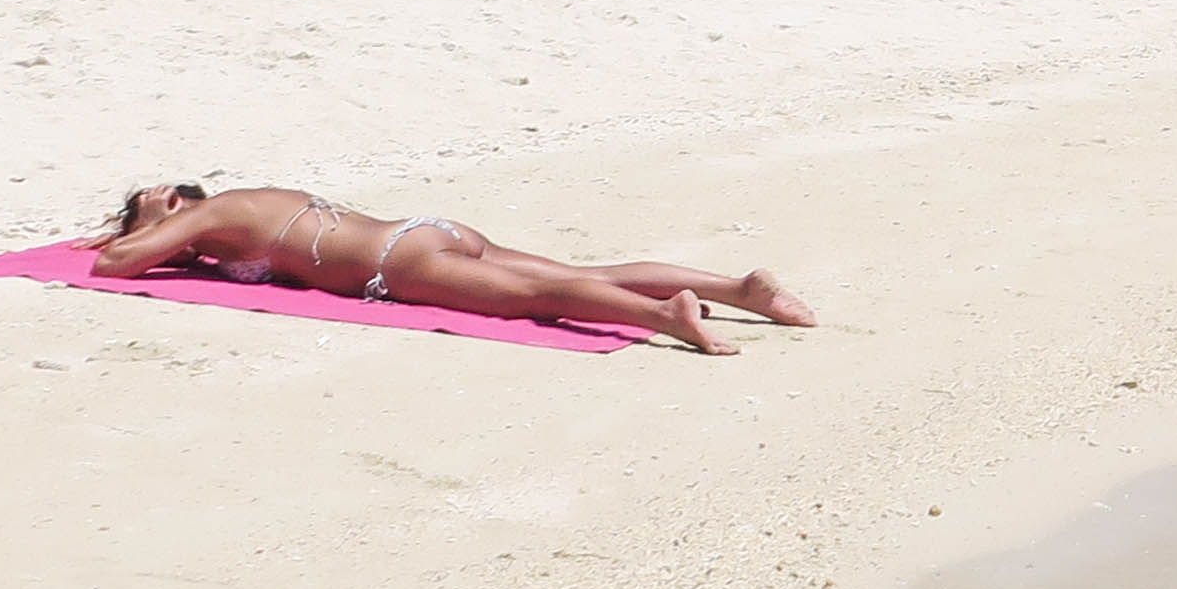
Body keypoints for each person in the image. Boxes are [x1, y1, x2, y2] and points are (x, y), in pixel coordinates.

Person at [88, 182, 810, 354]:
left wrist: (151, 229)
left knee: (539, 296)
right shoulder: (249, 207)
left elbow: (117, 265)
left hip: (395, 263)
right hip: (426, 231)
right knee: (580, 269)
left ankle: (666, 317)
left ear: (176, 201)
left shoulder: (204, 213)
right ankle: (737, 289)